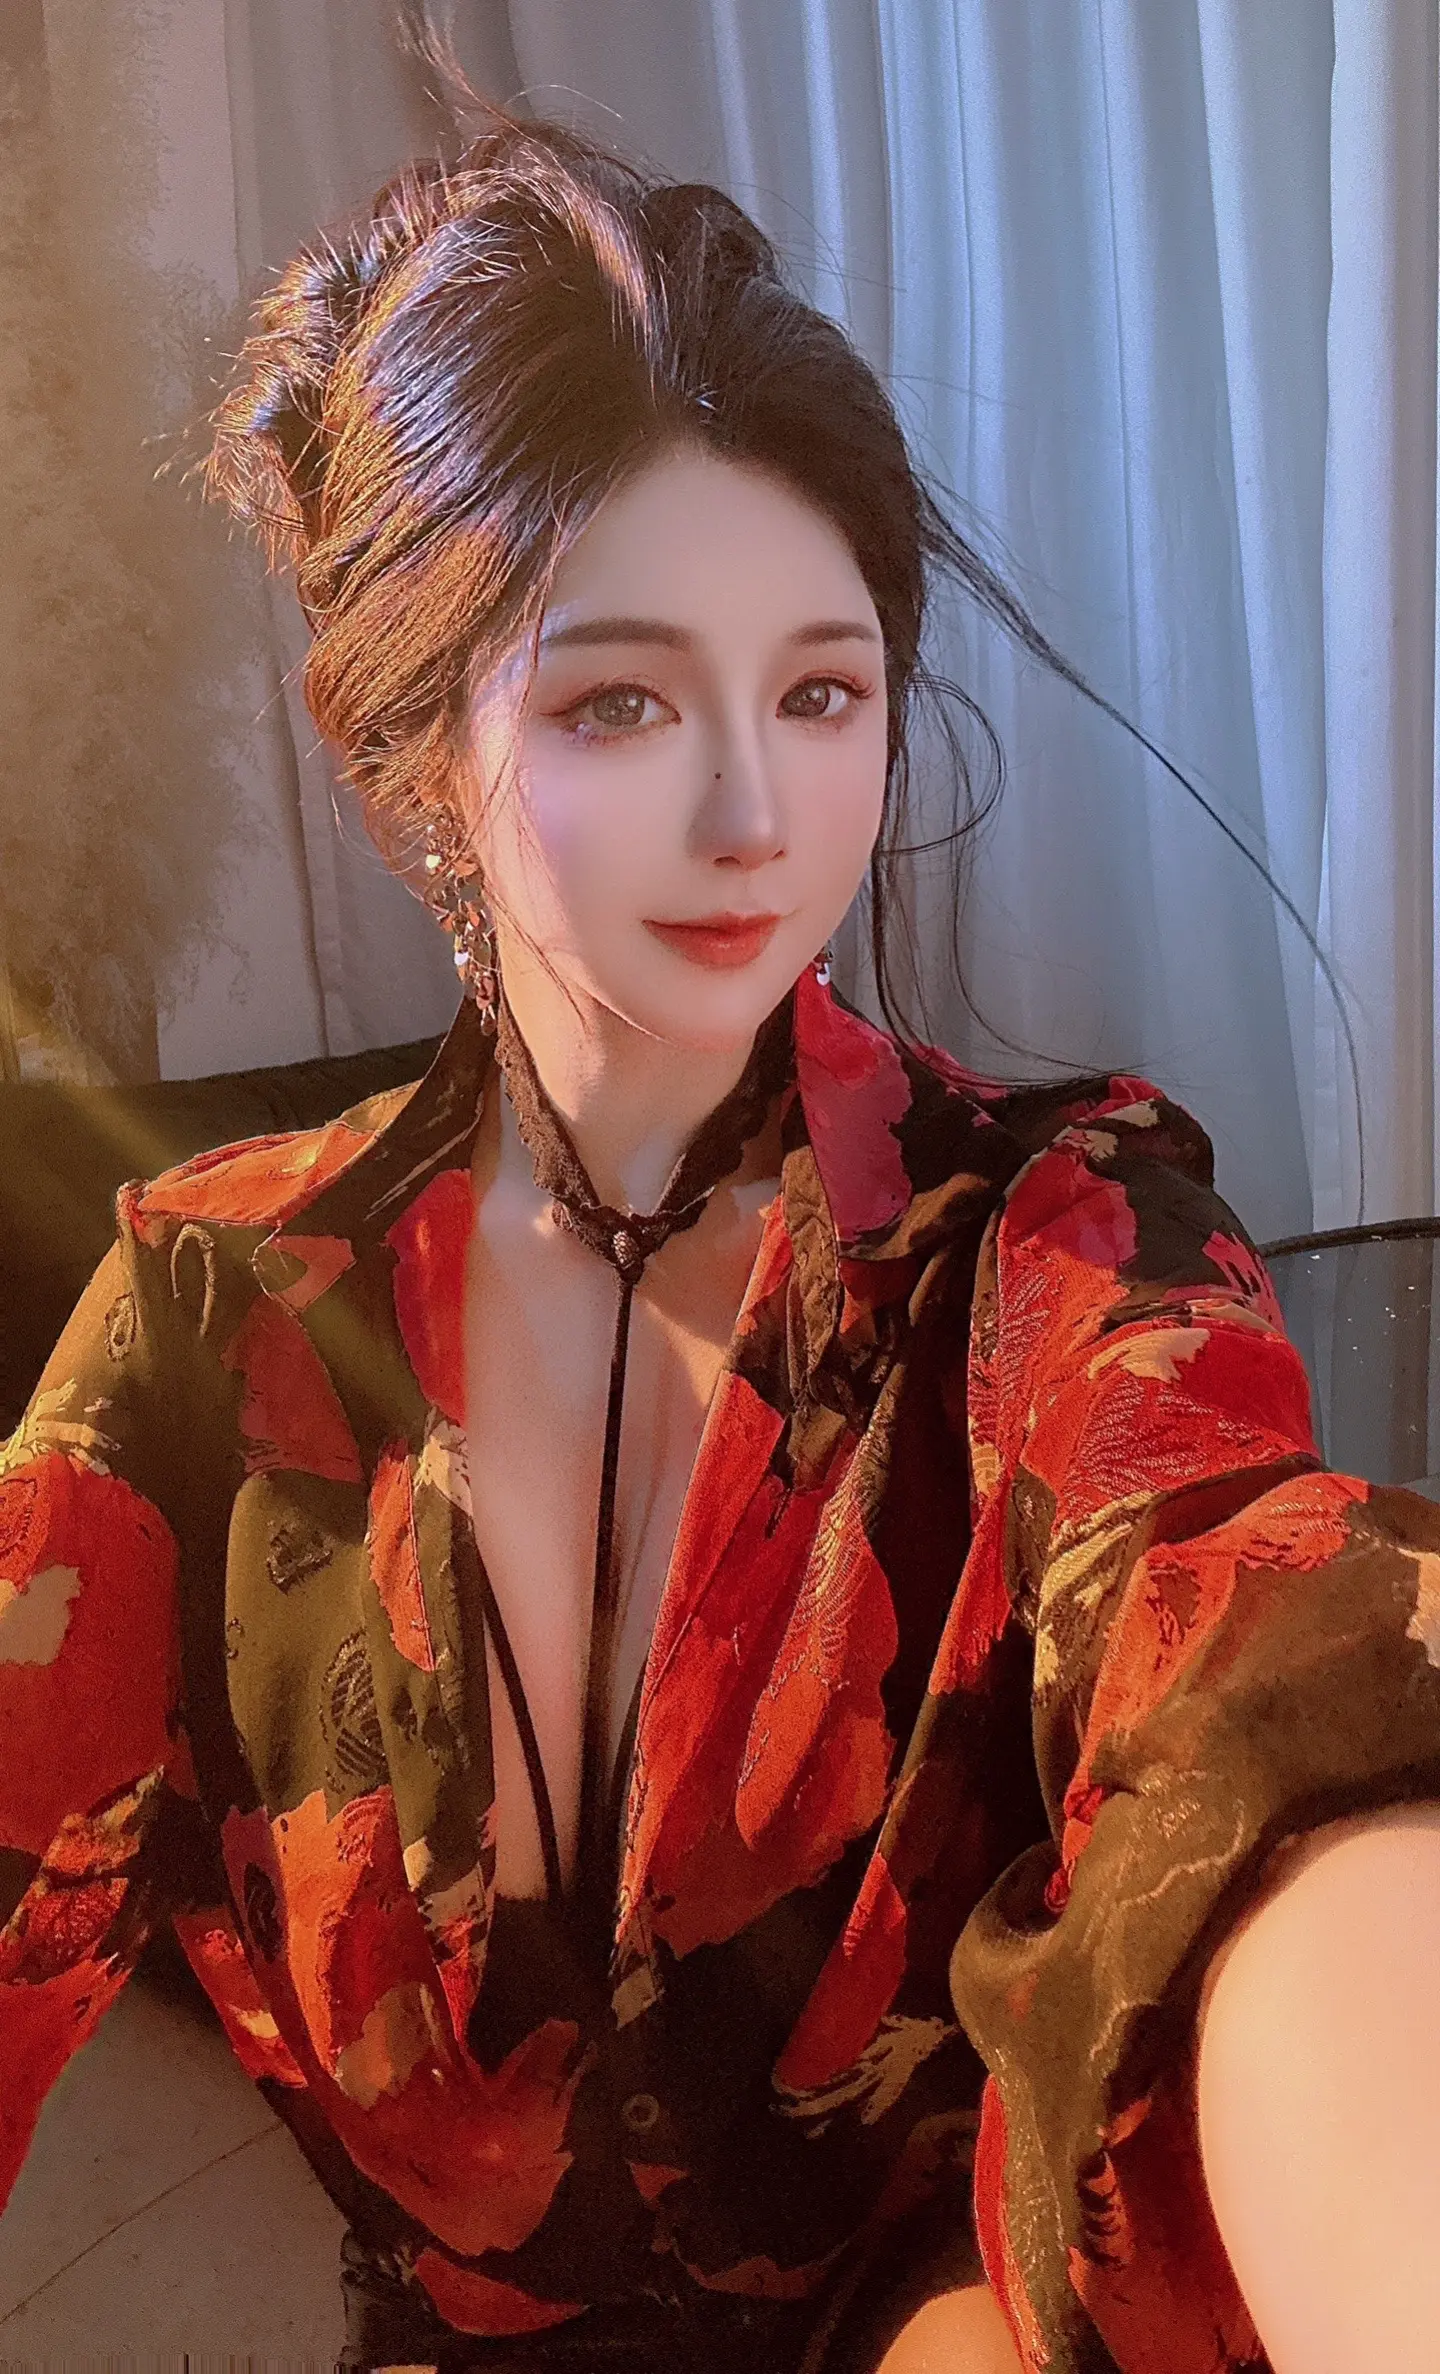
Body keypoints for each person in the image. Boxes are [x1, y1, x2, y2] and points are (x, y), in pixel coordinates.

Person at [2, 98, 1440, 2374]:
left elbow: (1268, 1701)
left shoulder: (1052, 1241)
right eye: (624, 699)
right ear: (402, 758)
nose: (758, 809)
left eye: (821, 691)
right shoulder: (208, 1321)